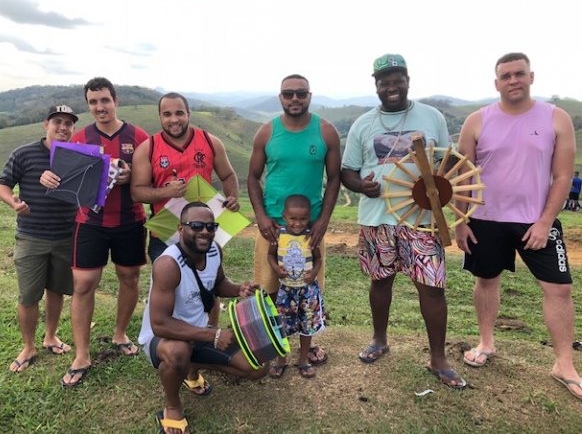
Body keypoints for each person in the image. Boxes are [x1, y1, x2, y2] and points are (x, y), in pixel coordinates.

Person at [455, 52, 582, 400]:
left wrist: (545, 222)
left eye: (519, 74)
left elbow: (562, 176)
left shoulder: (556, 118)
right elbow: (461, 175)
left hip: (535, 221)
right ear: (496, 83)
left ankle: (564, 365)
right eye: (506, 76)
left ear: (531, 77)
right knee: (486, 280)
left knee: (558, 288)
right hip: (485, 219)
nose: (513, 80)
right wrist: (461, 222)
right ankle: (486, 343)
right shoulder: (476, 122)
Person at [341, 54, 466, 389]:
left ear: (408, 80)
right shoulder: (362, 124)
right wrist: (361, 187)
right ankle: (379, 340)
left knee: (432, 287)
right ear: (376, 85)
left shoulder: (432, 117)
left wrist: (446, 196)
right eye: (384, 81)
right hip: (376, 217)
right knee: (380, 282)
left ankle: (438, 359)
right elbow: (347, 171)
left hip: (421, 219)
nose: (391, 86)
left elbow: (447, 163)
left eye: (397, 79)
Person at [131, 91, 240, 394]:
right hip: (166, 234)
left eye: (179, 113)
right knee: (173, 297)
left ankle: (199, 358)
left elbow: (229, 175)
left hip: (206, 233)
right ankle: (173, 355)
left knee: (208, 291)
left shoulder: (209, 141)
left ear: (189, 113)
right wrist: (167, 193)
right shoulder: (148, 147)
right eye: (167, 114)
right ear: (160, 117)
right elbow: (137, 192)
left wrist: (232, 197)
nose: (174, 119)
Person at [45, 78, 150, 387]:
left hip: (130, 221)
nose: (99, 107)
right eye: (93, 102)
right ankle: (81, 354)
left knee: (129, 278)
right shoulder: (79, 138)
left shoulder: (139, 137)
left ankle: (119, 333)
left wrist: (130, 177)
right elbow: (64, 179)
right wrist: (49, 178)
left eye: (104, 100)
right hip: (89, 222)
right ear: (88, 105)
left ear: (115, 100)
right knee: (83, 285)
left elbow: (148, 179)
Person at [138, 202, 268, 433]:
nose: (205, 232)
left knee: (258, 366)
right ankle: (172, 406)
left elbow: (217, 284)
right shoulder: (168, 264)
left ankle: (191, 369)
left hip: (198, 334)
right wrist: (213, 334)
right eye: (196, 226)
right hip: (162, 341)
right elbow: (160, 324)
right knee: (179, 352)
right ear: (180, 229)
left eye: (210, 226)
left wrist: (238, 290)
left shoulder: (215, 250)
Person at [247, 74, 340, 367]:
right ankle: (276, 350)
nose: (295, 99)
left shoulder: (326, 132)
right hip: (272, 226)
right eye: (289, 94)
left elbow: (335, 178)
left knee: (307, 289)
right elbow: (252, 177)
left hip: (310, 229)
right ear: (280, 98)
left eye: (301, 93)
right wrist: (261, 216)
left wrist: (324, 220)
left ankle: (304, 349)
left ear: (310, 95)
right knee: (270, 290)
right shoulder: (266, 132)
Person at [0, 105, 79, 372]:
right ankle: (28, 346)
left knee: (57, 290)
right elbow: (2, 183)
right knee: (29, 295)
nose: (63, 127)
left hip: (66, 235)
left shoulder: (77, 156)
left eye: (68, 123)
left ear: (73, 128)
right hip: (32, 235)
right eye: (58, 122)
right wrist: (13, 203)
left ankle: (50, 336)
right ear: (46, 124)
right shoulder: (24, 154)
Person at [267, 194, 325, 379]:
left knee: (307, 325)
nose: (298, 223)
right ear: (284, 216)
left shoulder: (310, 236)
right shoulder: (279, 235)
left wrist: (314, 272)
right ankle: (281, 360)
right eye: (293, 218)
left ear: (309, 217)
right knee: (281, 325)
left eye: (303, 219)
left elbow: (318, 258)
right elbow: (270, 255)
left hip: (308, 291)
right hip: (286, 290)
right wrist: (276, 269)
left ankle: (303, 361)